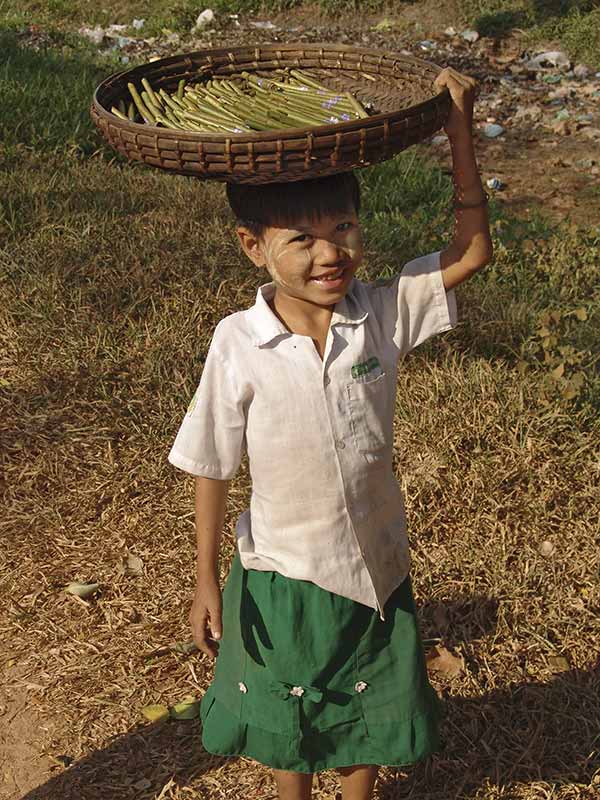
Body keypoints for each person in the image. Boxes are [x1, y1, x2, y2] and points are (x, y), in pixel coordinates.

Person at [168, 67, 492, 800]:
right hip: (285, 571)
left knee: (368, 711)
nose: (329, 255)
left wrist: (459, 132)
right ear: (253, 247)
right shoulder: (238, 342)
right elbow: (212, 463)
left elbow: (471, 253)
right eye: (302, 239)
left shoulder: (380, 313)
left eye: (343, 228)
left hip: (375, 565)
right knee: (294, 715)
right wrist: (205, 576)